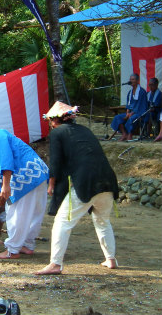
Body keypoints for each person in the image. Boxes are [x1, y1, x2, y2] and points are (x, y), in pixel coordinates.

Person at [35, 102, 119, 275]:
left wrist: (51, 185)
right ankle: (110, 259)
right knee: (103, 221)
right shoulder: (85, 130)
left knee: (62, 222)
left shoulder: (58, 133)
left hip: (86, 182)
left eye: (51, 121)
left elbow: (56, 162)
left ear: (55, 120)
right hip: (108, 180)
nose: (50, 124)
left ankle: (55, 264)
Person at [0, 110, 49, 259]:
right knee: (33, 213)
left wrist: (5, 185)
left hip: (25, 177)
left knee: (15, 212)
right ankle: (27, 244)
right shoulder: (2, 134)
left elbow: (6, 161)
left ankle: (12, 250)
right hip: (39, 174)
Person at [110, 73, 148, 141]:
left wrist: (131, 113)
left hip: (139, 113)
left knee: (132, 119)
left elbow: (141, 106)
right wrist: (127, 112)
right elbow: (128, 105)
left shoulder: (142, 92)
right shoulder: (130, 92)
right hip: (130, 113)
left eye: (133, 79)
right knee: (117, 117)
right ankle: (124, 134)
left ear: (137, 81)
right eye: (130, 79)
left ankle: (130, 134)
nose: (131, 81)